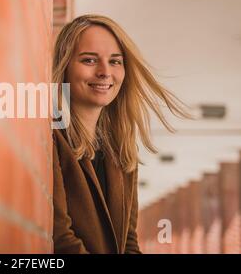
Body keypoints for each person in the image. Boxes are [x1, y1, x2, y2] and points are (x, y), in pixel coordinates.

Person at [52, 14, 192, 253]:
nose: (105, 72)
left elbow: (128, 241)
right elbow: (60, 238)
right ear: (64, 66)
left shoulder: (121, 149)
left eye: (115, 61)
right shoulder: (51, 136)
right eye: (89, 60)